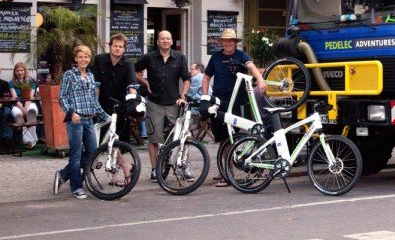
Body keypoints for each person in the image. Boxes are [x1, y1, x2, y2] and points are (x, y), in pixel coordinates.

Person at [202, 28, 266, 187]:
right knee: (222, 138)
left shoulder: (241, 55)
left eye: (231, 41)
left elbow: (251, 66)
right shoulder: (216, 57)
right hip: (219, 102)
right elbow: (206, 77)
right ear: (221, 43)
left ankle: (228, 174)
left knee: (232, 137)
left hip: (237, 102)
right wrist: (206, 96)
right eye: (226, 41)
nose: (228, 43)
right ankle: (225, 169)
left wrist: (260, 79)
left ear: (234, 43)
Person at [134, 30, 190, 183]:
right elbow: (135, 71)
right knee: (153, 138)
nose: (165, 41)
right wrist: (145, 83)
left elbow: (186, 79)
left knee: (181, 137)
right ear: (157, 41)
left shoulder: (180, 57)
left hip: (174, 103)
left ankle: (183, 166)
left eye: (168, 38)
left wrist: (183, 96)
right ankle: (154, 169)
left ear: (172, 41)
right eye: (162, 38)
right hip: (154, 103)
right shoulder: (149, 57)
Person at [53, 45, 109, 199]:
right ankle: (77, 187)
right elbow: (62, 97)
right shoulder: (69, 75)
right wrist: (71, 114)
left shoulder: (91, 76)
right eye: (81, 57)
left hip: (90, 120)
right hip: (75, 121)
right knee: (76, 155)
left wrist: (106, 117)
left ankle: (63, 174)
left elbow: (93, 101)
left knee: (92, 153)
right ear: (76, 58)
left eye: (86, 57)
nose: (83, 59)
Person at [93, 33, 139, 144]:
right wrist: (94, 104)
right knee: (99, 139)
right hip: (102, 105)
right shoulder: (99, 60)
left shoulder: (128, 64)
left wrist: (134, 102)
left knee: (120, 140)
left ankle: (119, 160)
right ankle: (96, 160)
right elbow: (96, 85)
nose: (117, 49)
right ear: (110, 46)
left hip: (121, 106)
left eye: (120, 47)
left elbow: (132, 85)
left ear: (124, 50)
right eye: (115, 46)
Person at [9, 62, 40, 149]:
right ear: (15, 72)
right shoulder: (11, 83)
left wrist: (26, 109)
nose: (19, 72)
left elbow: (30, 97)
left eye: (21, 70)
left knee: (31, 112)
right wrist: (22, 110)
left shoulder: (31, 81)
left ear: (25, 71)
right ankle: (30, 141)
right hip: (17, 105)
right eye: (17, 70)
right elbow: (15, 98)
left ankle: (30, 142)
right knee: (18, 115)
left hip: (29, 103)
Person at [0, 73, 18, 153]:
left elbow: (7, 98)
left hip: (3, 107)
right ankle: (5, 142)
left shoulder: (4, 83)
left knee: (8, 112)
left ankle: (6, 140)